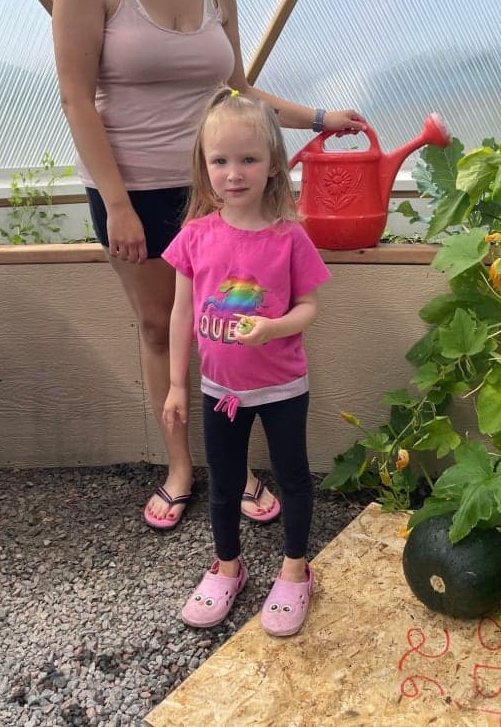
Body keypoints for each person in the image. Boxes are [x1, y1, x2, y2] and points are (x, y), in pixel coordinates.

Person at [51, 0, 365, 530]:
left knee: (223, 325)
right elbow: (75, 96)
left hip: (214, 195)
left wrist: (319, 117)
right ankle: (180, 465)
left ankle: (236, 465)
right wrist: (117, 202)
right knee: (161, 326)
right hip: (130, 192)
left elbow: (239, 94)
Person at [162, 88, 329, 636]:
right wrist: (176, 387)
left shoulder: (290, 240)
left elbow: (308, 308)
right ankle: (227, 566)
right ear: (204, 166)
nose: (234, 173)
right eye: (220, 160)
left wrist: (273, 328)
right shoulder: (194, 237)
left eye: (248, 159)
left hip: (283, 388)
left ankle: (295, 570)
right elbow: (181, 314)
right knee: (226, 480)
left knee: (293, 477)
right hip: (220, 391)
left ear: (274, 166)